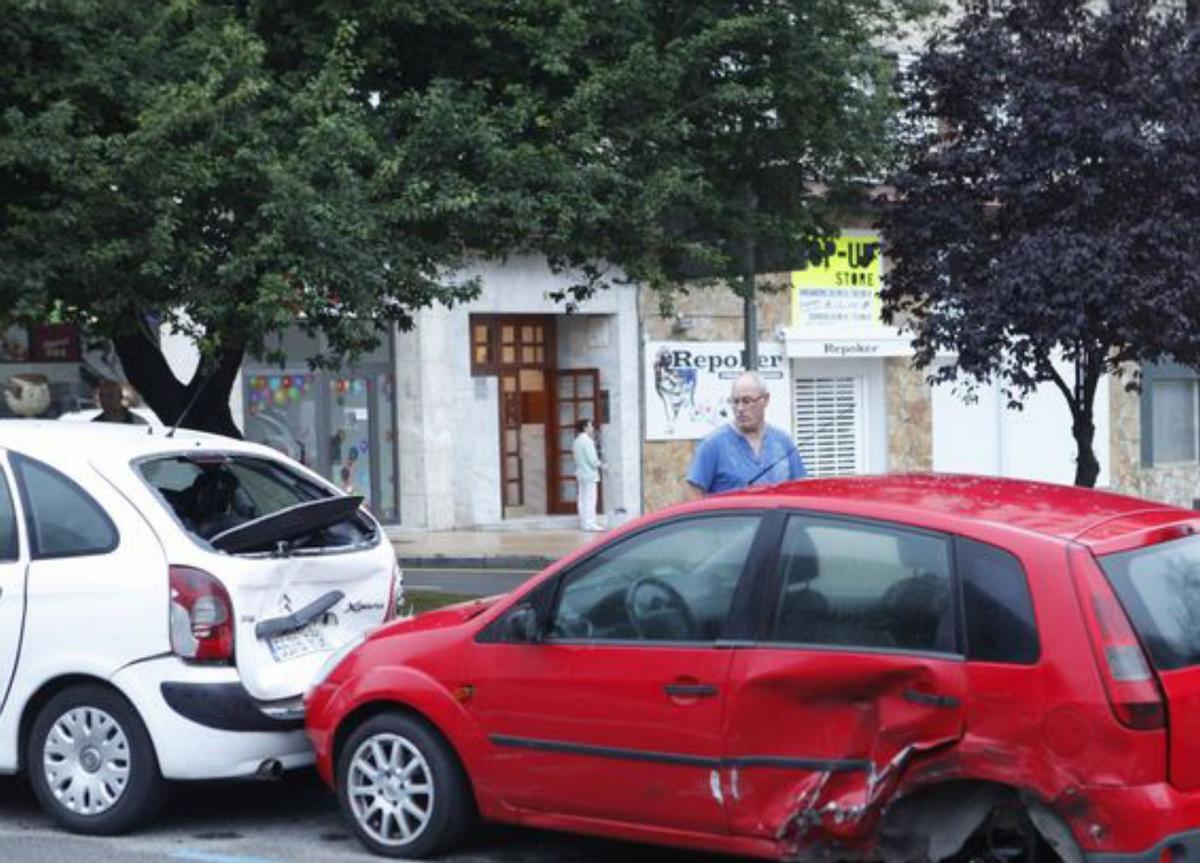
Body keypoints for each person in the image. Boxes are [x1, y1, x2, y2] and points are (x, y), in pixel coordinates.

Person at [685, 371, 806, 498]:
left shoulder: (784, 442)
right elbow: (694, 498)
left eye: (747, 401)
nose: (740, 409)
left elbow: (800, 492)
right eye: (735, 402)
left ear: (765, 400)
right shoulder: (711, 446)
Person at [572, 418, 606, 531]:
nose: (592, 428)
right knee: (590, 499)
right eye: (590, 426)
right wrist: (602, 465)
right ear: (585, 428)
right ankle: (590, 523)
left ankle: (584, 522)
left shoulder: (576, 441)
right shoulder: (587, 441)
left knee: (582, 498)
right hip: (589, 474)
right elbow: (593, 460)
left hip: (580, 474)